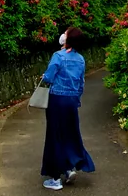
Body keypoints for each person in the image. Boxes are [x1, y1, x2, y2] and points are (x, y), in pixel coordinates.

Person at [39, 26, 95, 190]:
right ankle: (69, 168)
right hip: (71, 100)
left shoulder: (58, 56)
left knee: (55, 135)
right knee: (70, 134)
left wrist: (44, 76)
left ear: (68, 39)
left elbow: (49, 77)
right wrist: (76, 99)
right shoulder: (81, 59)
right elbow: (81, 84)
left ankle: (55, 178)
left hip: (57, 100)